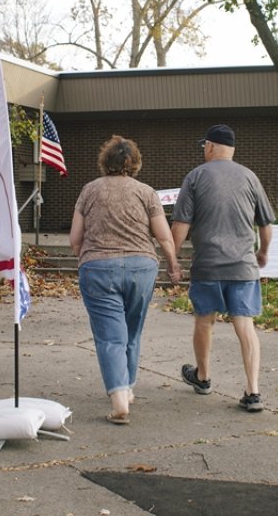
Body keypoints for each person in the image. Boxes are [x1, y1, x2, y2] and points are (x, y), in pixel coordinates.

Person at [70, 135, 183, 425]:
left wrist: (86, 259)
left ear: (104, 161)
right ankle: (128, 387)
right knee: (132, 331)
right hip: (141, 267)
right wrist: (172, 265)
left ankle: (120, 398)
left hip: (98, 267)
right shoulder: (147, 193)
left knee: (110, 335)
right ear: (134, 164)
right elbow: (163, 236)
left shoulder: (89, 191)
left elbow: (75, 239)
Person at [171, 124, 274, 413]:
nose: (203, 149)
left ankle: (203, 378)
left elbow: (181, 226)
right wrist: (262, 252)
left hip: (208, 266)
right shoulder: (250, 177)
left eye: (204, 145)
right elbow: (266, 225)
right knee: (245, 325)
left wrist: (172, 259)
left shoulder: (195, 177)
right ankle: (253, 392)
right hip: (243, 267)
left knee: (205, 321)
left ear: (211, 146)